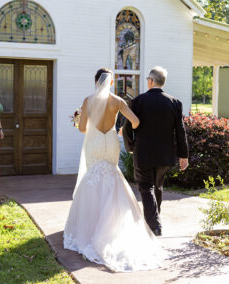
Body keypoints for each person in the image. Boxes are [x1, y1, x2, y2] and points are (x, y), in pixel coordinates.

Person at [63, 68, 165, 272]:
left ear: (95, 82)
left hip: (94, 143)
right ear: (110, 83)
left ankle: (91, 226)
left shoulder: (88, 101)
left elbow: (83, 129)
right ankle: (112, 226)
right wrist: (120, 128)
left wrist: (83, 121)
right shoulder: (118, 101)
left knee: (93, 177)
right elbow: (136, 121)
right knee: (111, 175)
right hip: (110, 141)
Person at [123, 66, 189, 237]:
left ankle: (154, 226)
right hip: (164, 155)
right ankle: (154, 220)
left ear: (151, 81)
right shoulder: (175, 102)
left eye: (147, 80)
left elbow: (127, 127)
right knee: (157, 187)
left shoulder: (138, 101)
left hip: (143, 153)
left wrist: (130, 147)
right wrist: (184, 155)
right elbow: (180, 131)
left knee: (146, 188)